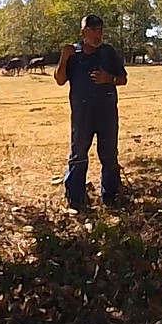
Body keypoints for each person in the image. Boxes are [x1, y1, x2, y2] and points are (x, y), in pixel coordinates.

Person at [54, 14, 128, 209]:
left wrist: (109, 79)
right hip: (82, 115)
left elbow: (123, 79)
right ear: (83, 32)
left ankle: (111, 197)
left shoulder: (108, 53)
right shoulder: (74, 55)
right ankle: (76, 199)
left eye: (100, 30)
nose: (98, 35)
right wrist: (64, 57)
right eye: (93, 30)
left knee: (109, 155)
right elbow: (60, 80)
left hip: (106, 114)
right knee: (78, 154)